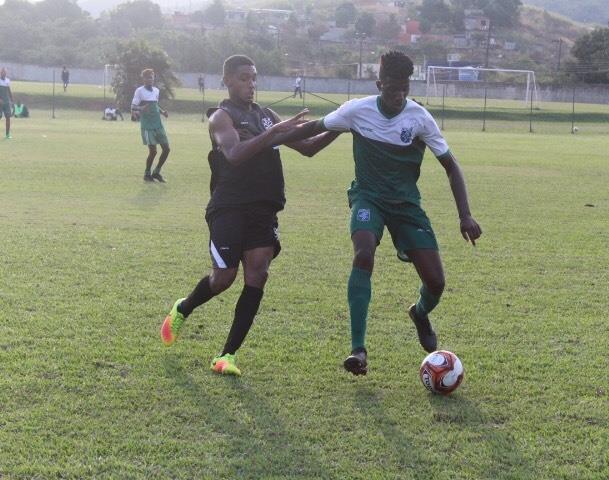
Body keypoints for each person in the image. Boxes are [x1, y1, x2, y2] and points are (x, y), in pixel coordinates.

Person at [273, 51, 482, 375]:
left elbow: (451, 166)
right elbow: (310, 138)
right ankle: (358, 349)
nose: (398, 96)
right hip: (368, 198)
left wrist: (465, 215)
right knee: (364, 252)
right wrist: (271, 134)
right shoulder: (358, 110)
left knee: (436, 282)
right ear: (378, 83)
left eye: (404, 88)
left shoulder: (419, 118)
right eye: (391, 88)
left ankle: (420, 313)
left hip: (406, 206)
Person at [160, 54, 340, 376]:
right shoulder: (220, 117)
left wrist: (341, 124)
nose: (251, 84)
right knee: (224, 278)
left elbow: (309, 146)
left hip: (263, 208)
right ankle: (183, 308)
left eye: (254, 78)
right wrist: (275, 134)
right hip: (228, 206)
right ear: (227, 80)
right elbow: (235, 154)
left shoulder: (267, 116)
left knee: (258, 274)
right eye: (244, 78)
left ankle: (226, 355)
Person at [131, 68, 170, 183]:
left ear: (154, 78)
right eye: (147, 77)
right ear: (143, 79)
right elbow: (133, 107)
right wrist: (141, 108)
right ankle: (147, 174)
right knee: (153, 151)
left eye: (151, 77)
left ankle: (156, 172)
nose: (149, 79)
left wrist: (162, 112)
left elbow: (155, 105)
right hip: (147, 126)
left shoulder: (156, 91)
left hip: (158, 124)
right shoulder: (139, 91)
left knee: (167, 149)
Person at [0, 68, 13, 139]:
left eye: (5, 73)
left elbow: (9, 91)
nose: (4, 74)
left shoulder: (8, 81)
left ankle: (7, 134)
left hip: (6, 102)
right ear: (0, 73)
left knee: (8, 118)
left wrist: (12, 100)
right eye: (2, 73)